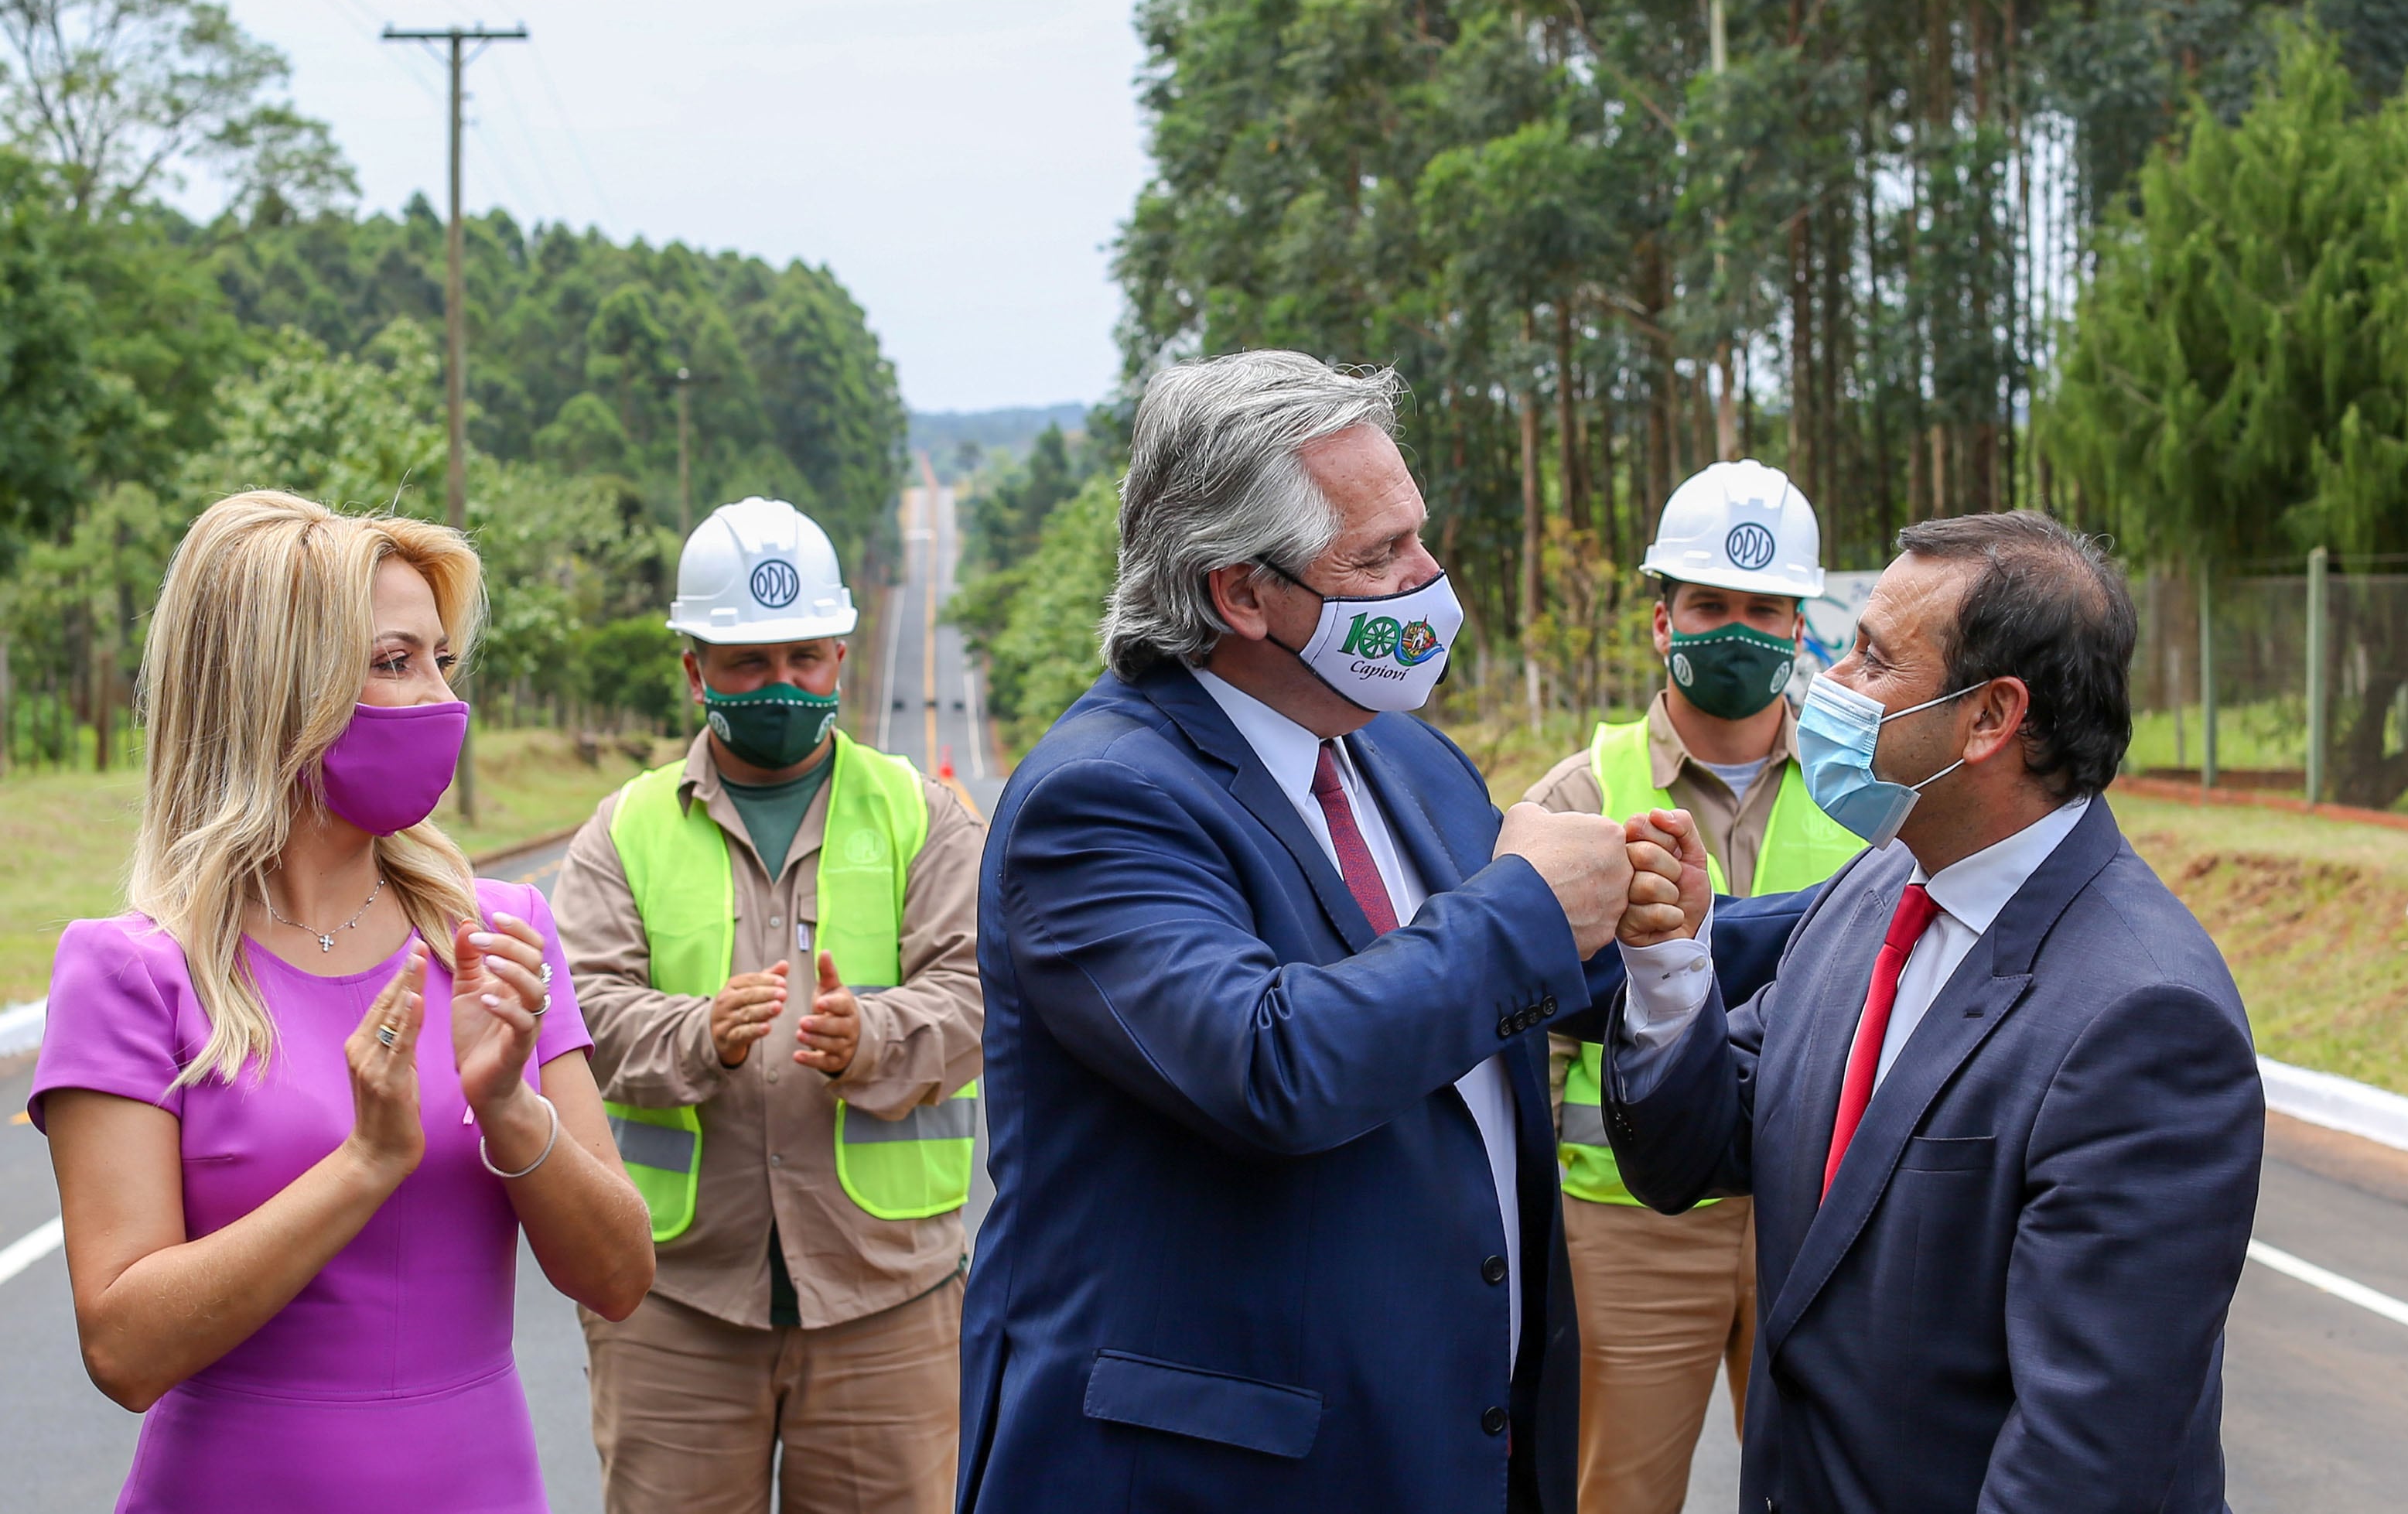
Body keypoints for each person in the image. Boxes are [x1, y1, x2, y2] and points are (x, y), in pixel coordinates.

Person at [956, 350, 1796, 1514]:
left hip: (1444, 1442)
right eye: (1377, 555)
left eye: (1417, 535)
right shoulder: (1100, 802)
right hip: (1217, 1472)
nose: (1427, 577)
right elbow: (1270, 1062)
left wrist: (1871, 913)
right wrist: (1525, 907)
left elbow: (1545, 974)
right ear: (1238, 593)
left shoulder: (1397, 753)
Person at [1604, 511, 2263, 1513]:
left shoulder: (2143, 1020)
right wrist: (1666, 965)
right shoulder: (1873, 894)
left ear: (1989, 719)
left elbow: (2084, 1457)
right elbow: (1691, 1150)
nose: (1823, 687)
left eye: (1869, 660)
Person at [32, 489, 654, 1514]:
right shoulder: (133, 972)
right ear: (279, 686)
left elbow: (620, 1276)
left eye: (442, 662)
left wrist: (511, 1113)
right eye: (394, 662)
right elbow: (125, 1348)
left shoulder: (498, 935)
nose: (440, 700)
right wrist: (365, 1166)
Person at [556, 496, 983, 1514]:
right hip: (674, 1300)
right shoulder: (624, 832)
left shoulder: (922, 815)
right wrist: (694, 1035)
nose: (779, 686)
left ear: (840, 655)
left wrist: (870, 1036)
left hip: (887, 1295)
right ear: (695, 669)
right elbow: (576, 1011)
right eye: (747, 665)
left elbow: (979, 995)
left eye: (803, 659)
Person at [1524, 460, 1860, 1514]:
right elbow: (1523, 1029)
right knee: (1616, 1494)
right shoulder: (1579, 798)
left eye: (1765, 609)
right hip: (1627, 1233)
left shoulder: (1868, 800)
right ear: (1661, 623)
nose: (1737, 630)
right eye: (1708, 605)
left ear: (1802, 628)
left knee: (1827, 1488)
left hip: (1818, 1217)